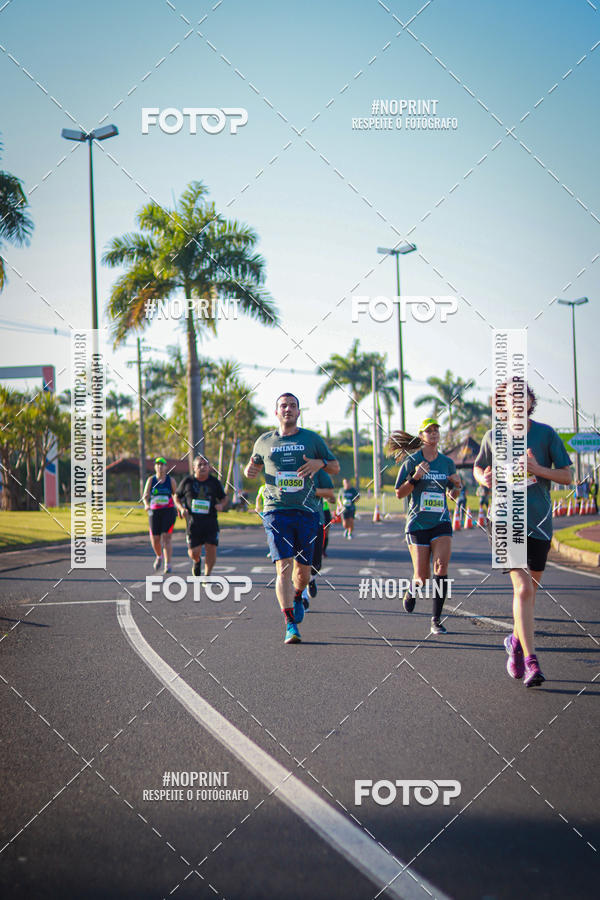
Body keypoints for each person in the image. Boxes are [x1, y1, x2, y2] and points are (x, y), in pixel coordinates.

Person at [473, 381, 572, 688]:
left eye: (521, 395)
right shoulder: (493, 437)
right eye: (507, 398)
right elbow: (479, 468)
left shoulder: (546, 434)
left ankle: (515, 641)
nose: (515, 401)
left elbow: (568, 476)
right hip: (503, 520)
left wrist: (537, 468)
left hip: (540, 522)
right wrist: (484, 478)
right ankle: (532, 661)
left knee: (530, 593)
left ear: (530, 401)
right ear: (499, 406)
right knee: (524, 590)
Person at [244, 392, 340, 644]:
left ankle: (298, 595)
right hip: (276, 511)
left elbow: (335, 466)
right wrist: (250, 469)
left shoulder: (311, 439)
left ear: (298, 412)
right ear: (276, 412)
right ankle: (289, 624)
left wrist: (319, 463)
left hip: (307, 512)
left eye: (293, 406)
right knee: (283, 567)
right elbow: (252, 466)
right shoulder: (264, 441)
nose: (288, 409)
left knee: (304, 572)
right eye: (283, 406)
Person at [386, 418, 461, 635]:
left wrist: (456, 485)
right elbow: (399, 492)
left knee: (442, 567)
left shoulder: (447, 462)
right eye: (429, 431)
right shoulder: (412, 461)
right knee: (422, 577)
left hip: (441, 522)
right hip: (417, 523)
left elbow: (452, 495)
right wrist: (416, 478)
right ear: (421, 436)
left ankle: (436, 619)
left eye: (437, 430)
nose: (434, 433)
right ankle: (412, 590)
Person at [174, 456, 228, 578]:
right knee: (194, 553)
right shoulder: (188, 481)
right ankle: (197, 562)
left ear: (209, 467)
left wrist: (221, 505)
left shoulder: (214, 482)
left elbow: (224, 498)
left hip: (211, 522)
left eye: (205, 464)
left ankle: (207, 575)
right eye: (200, 465)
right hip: (193, 523)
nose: (203, 467)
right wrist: (181, 508)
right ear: (194, 468)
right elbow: (176, 496)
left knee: (211, 549)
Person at [302, 468, 336, 608]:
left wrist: (313, 492)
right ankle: (302, 597)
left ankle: (312, 579)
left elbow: (331, 496)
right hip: (296, 520)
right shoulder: (288, 468)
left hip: (317, 520)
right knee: (299, 560)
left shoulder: (319, 473)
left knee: (316, 563)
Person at [142, 457, 177, 573]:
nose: (160, 467)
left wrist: (179, 508)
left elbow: (175, 495)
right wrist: (146, 504)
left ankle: (168, 564)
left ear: (166, 467)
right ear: (155, 467)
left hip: (168, 511)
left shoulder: (170, 480)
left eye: (162, 464)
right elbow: (145, 496)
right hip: (154, 512)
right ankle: (159, 556)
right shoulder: (151, 480)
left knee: (167, 537)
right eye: (157, 464)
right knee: (155, 538)